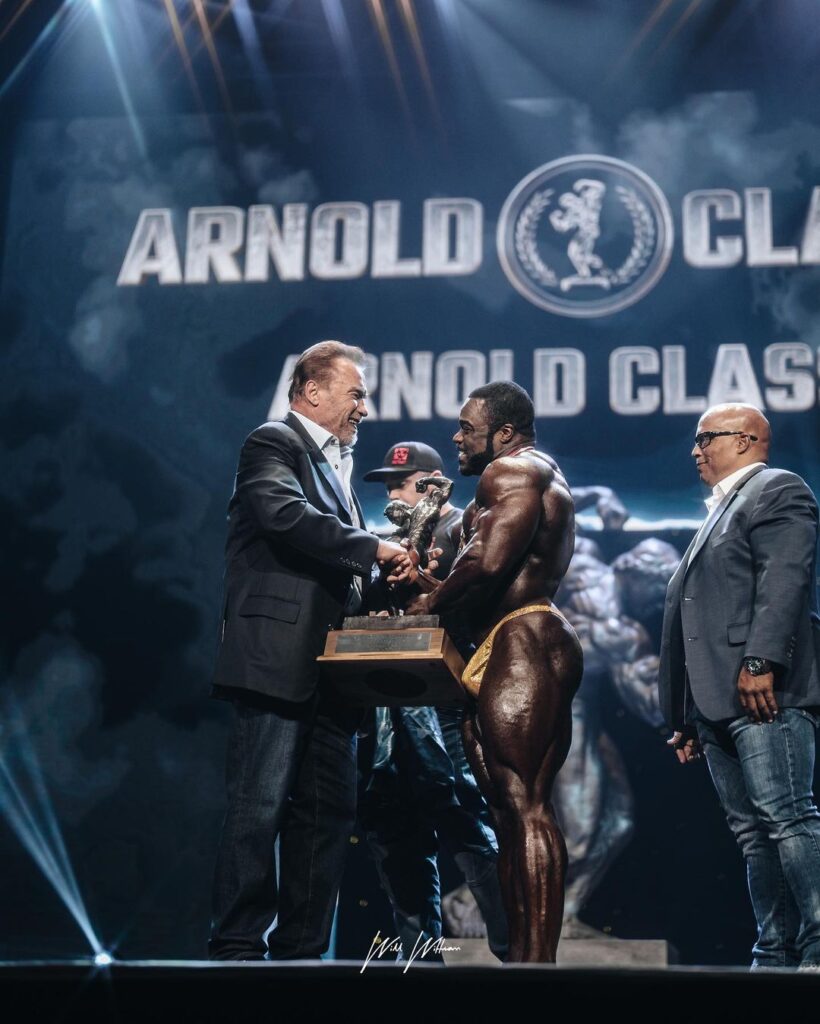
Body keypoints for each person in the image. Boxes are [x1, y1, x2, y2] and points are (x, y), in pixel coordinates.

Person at [208, 340, 411, 961]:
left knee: (328, 815)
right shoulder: (273, 443)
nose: (364, 408)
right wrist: (374, 548)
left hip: (333, 673)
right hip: (276, 659)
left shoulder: (339, 469)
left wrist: (384, 585)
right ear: (313, 390)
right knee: (259, 808)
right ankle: (238, 948)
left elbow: (339, 567)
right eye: (357, 394)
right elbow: (284, 516)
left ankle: (301, 953)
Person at [406, 381, 583, 962]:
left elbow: (487, 562)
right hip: (501, 642)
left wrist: (428, 603)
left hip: (525, 637)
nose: (456, 437)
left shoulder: (513, 471)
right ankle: (523, 964)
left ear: (503, 433)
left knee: (526, 804)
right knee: (507, 812)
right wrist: (427, 584)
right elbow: (479, 571)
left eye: (467, 428)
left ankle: (539, 969)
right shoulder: (516, 478)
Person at [659, 402, 820, 971]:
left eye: (706, 438)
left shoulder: (777, 489)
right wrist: (684, 714)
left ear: (748, 440)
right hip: (718, 702)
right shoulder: (721, 510)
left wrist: (760, 660)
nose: (695, 450)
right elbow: (695, 618)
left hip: (763, 690)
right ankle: (775, 953)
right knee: (754, 833)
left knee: (787, 816)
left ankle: (817, 946)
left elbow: (785, 579)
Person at [360, 442, 508, 960]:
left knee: (460, 807)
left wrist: (428, 584)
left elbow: (481, 600)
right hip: (388, 699)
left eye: (400, 483)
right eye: (388, 485)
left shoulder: (467, 528)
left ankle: (517, 948)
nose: (392, 493)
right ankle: (418, 959)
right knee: (391, 822)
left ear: (432, 485)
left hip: (446, 697)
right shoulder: (386, 544)